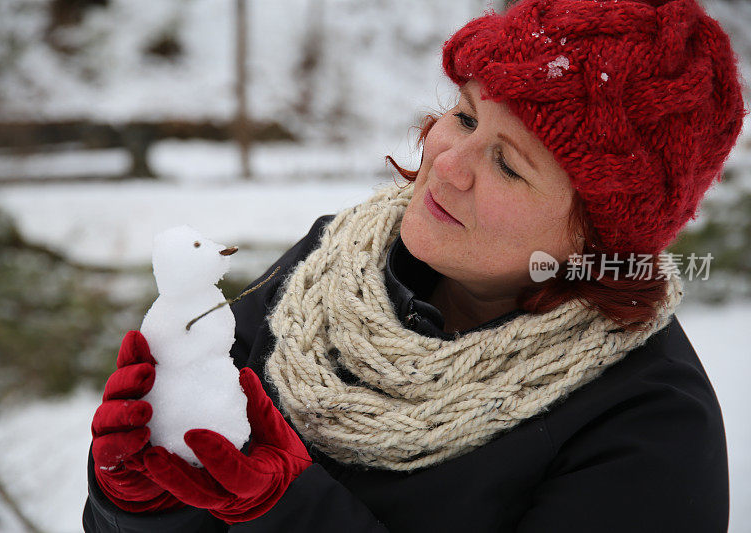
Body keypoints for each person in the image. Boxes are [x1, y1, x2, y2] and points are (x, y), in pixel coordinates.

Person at [83, 0, 746, 531]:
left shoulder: (650, 429)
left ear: (597, 239)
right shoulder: (329, 271)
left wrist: (289, 512)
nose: (448, 164)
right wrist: (144, 504)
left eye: (509, 164)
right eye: (464, 115)